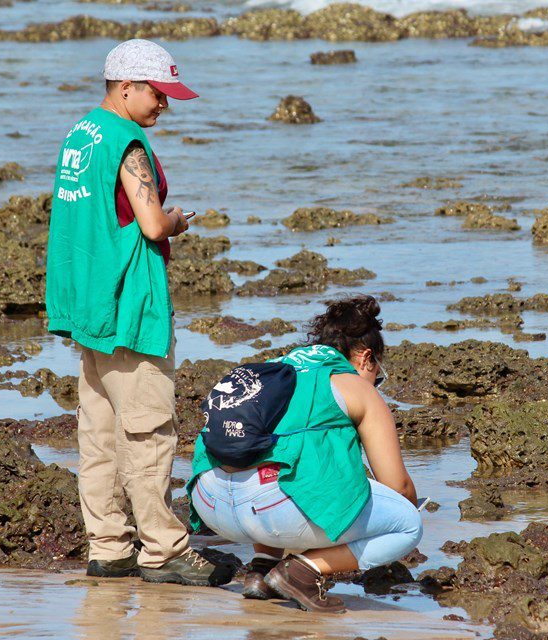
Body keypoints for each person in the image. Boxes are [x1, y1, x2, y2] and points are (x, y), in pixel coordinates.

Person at [45, 39, 233, 587]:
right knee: (147, 429)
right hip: (130, 303)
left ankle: (109, 546)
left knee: (97, 433)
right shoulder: (128, 142)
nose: (164, 106)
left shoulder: (80, 134)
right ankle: (164, 550)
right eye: (158, 94)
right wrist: (177, 219)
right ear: (125, 87)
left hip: (88, 302)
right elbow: (150, 224)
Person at [186, 295, 423, 613]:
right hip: (269, 510)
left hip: (211, 505)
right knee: (407, 524)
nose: (375, 384)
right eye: (377, 375)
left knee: (280, 461)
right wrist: (389, 526)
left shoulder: (275, 372)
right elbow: (399, 486)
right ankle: (300, 573)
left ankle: (261, 569)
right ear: (366, 358)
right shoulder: (354, 385)